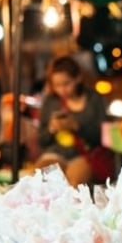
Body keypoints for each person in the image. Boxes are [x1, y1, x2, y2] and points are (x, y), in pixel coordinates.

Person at [34, 55, 112, 186]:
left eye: (66, 83)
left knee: (75, 182)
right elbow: (41, 140)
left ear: (78, 78)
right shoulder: (51, 101)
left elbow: (104, 136)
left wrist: (77, 126)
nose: (62, 90)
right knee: (41, 179)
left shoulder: (94, 99)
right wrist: (52, 129)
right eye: (57, 85)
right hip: (55, 153)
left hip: (84, 156)